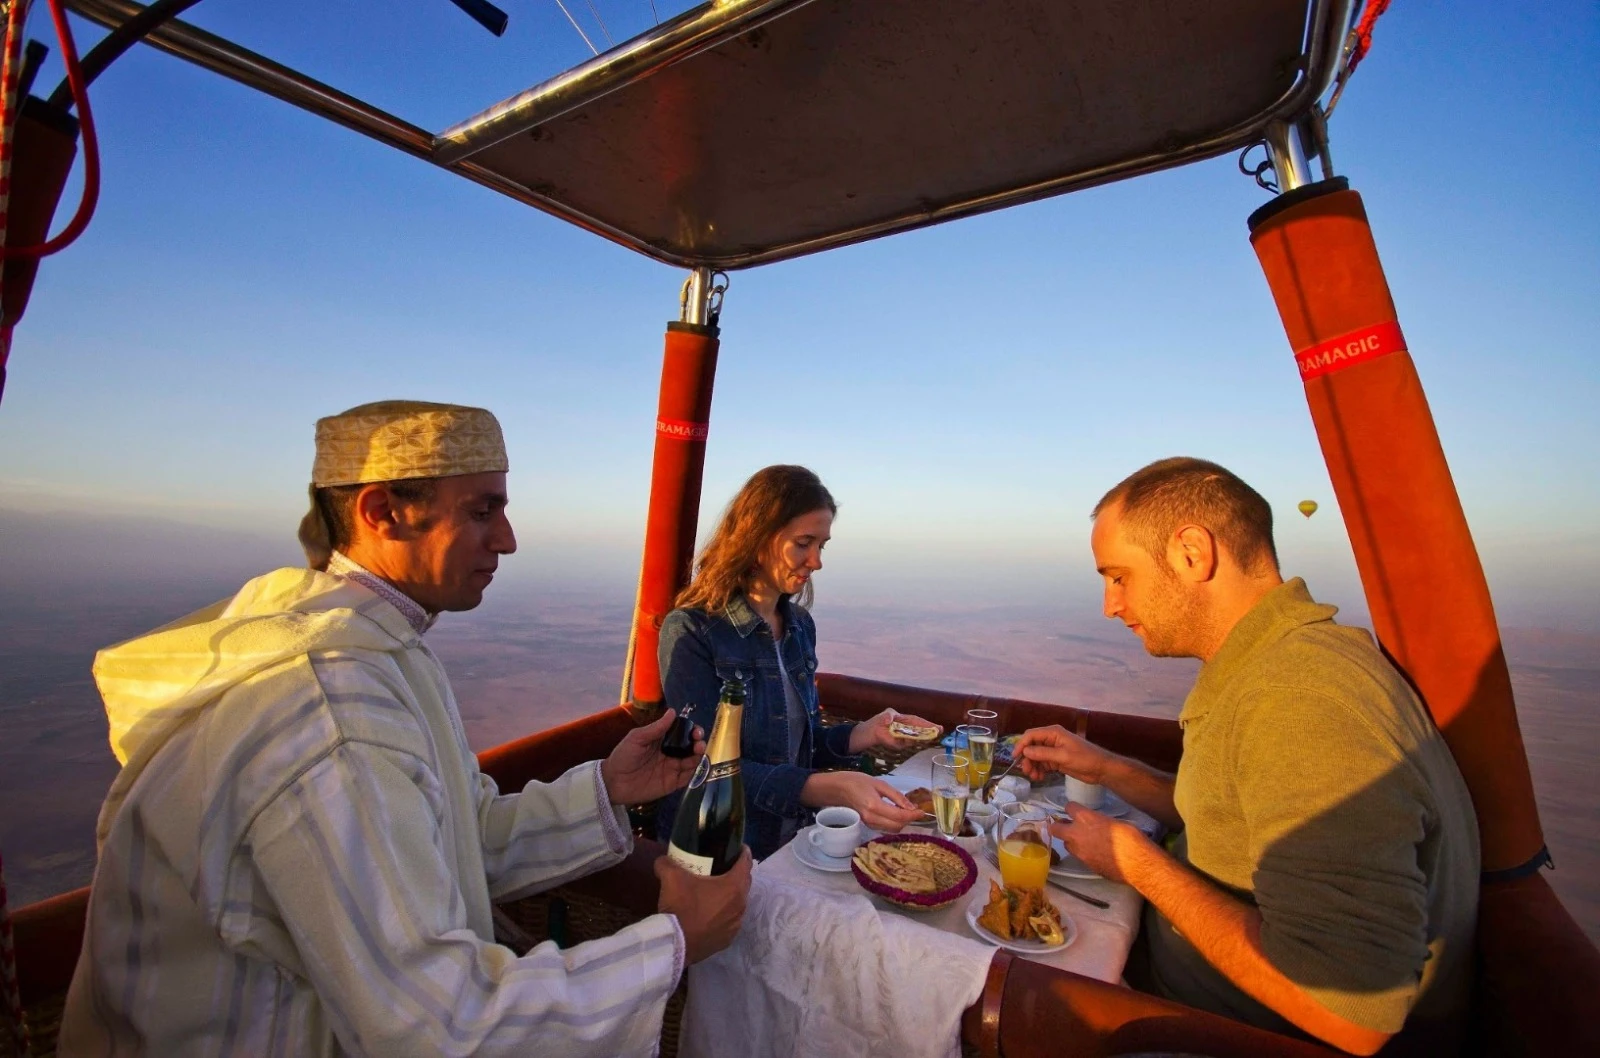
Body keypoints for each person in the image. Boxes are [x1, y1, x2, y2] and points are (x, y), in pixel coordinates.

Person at [60, 400, 752, 1057]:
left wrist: (606, 787)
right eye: (483, 511)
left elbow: (451, 839)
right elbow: (437, 1029)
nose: (508, 540)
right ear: (382, 512)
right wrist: (675, 941)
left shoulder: (370, 648)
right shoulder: (329, 711)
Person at [1013, 457, 1479, 1056]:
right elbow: (1237, 820)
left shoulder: (1300, 698)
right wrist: (1109, 769)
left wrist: (1142, 868)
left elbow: (1354, 1016)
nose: (1109, 604)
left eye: (1119, 576)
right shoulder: (1279, 661)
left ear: (1190, 552)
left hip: (1228, 1035)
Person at [655, 465, 934, 860]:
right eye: (804, 543)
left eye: (822, 545)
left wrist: (867, 733)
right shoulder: (692, 631)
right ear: (756, 536)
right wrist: (828, 788)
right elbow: (705, 769)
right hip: (718, 851)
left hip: (792, 842)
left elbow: (793, 748)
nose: (817, 561)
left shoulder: (799, 626)